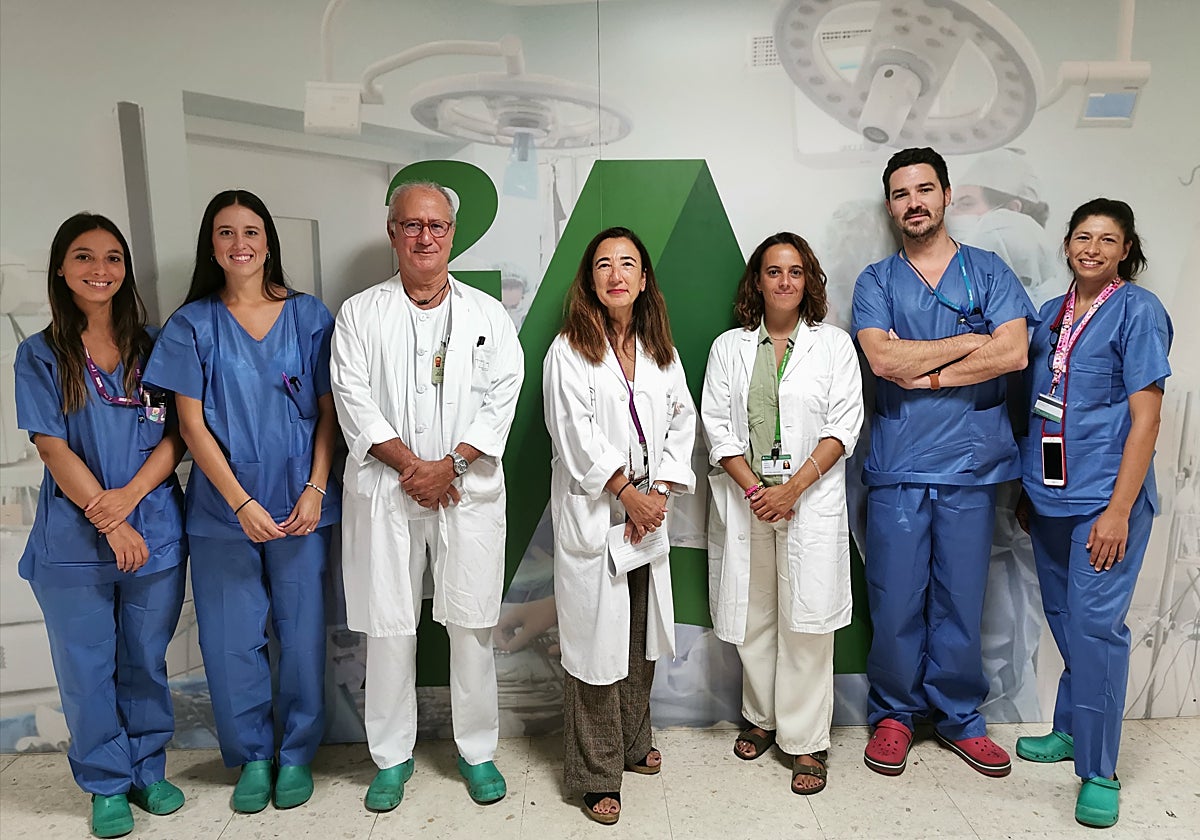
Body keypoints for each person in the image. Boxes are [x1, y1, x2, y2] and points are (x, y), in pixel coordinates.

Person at [144, 190, 340, 813]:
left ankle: (298, 754)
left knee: (303, 632)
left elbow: (331, 413)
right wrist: (240, 504)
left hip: (301, 506)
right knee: (231, 641)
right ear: (212, 245)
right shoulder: (191, 325)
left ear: (269, 241)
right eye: (226, 232)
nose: (240, 243)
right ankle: (253, 756)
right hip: (221, 512)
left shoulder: (310, 316)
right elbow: (191, 427)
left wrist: (314, 489)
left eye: (251, 230)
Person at [329, 181, 523, 812]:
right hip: (388, 489)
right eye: (411, 225)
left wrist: (452, 465)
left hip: (465, 490)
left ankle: (477, 750)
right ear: (392, 233)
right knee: (389, 628)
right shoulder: (359, 314)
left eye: (436, 226)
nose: (424, 237)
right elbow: (352, 400)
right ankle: (391, 756)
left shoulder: (487, 316)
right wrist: (415, 466)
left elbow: (503, 396)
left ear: (453, 235)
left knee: (471, 624)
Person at [851, 147, 1035, 778]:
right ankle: (895, 716)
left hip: (971, 466)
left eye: (924, 190)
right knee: (896, 600)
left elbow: (1013, 353)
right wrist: (967, 343)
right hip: (900, 465)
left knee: (961, 598)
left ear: (947, 194)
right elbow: (884, 362)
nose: (914, 203)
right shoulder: (876, 282)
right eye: (901, 194)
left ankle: (959, 717)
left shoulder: (988, 271)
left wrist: (924, 368)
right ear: (890, 205)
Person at [14, 213, 187, 838]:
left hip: (156, 527)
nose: (99, 269)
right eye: (84, 257)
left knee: (145, 658)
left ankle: (146, 768)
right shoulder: (39, 354)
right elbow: (52, 447)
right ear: (62, 268)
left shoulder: (155, 345)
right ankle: (105, 782)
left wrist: (133, 499)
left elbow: (178, 435)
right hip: (76, 541)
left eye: (112, 257)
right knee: (87, 667)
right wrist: (109, 520)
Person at [1014, 198, 1172, 828]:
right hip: (1049, 498)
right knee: (1063, 618)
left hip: (1106, 502)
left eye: (1108, 240)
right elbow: (1041, 408)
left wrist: (1118, 510)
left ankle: (1100, 770)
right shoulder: (1052, 315)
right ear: (1067, 244)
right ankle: (1071, 728)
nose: (1093, 248)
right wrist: (1031, 488)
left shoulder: (1138, 311)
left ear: (1126, 250)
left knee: (1098, 631)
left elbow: (1147, 418)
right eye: (1083, 237)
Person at [542, 226, 696, 825]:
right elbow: (574, 436)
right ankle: (595, 772)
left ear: (644, 277)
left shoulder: (661, 348)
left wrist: (656, 494)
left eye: (627, 263)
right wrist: (627, 493)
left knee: (639, 640)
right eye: (603, 264)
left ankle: (634, 743)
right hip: (597, 514)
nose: (616, 274)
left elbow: (682, 417)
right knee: (594, 649)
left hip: (646, 514)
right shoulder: (568, 350)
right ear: (590, 279)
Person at [702, 232, 863, 794]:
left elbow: (844, 424)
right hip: (749, 501)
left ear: (809, 280)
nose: (785, 281)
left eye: (796, 272)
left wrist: (792, 489)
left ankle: (806, 742)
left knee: (807, 621)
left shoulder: (834, 346)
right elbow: (717, 427)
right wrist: (756, 492)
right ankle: (762, 717)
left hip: (808, 500)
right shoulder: (730, 348)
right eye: (774, 271)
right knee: (753, 616)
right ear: (758, 281)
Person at [945, 148, 1060, 306]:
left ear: (1012, 210)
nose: (953, 214)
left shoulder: (1049, 296)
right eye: (953, 205)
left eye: (966, 203)